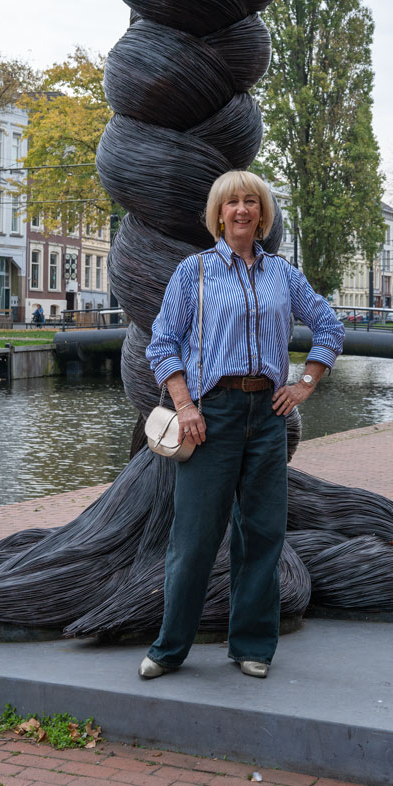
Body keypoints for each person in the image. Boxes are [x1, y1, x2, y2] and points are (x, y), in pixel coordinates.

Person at [141, 170, 344, 680]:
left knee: (262, 533)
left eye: (251, 202)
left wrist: (305, 383)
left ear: (262, 214)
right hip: (211, 416)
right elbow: (162, 343)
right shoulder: (195, 273)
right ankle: (169, 648)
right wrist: (185, 405)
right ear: (218, 213)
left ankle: (252, 645)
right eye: (232, 203)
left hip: (269, 414)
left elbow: (328, 324)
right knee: (193, 537)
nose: (242, 210)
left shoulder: (283, 274)